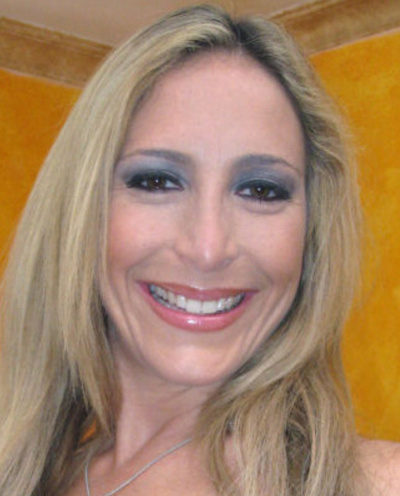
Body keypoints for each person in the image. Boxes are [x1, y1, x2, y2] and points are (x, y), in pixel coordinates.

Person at [0, 5, 399, 496]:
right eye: (157, 181)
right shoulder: (25, 474)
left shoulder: (379, 482)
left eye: (260, 190)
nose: (208, 248)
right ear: (80, 212)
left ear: (310, 235)